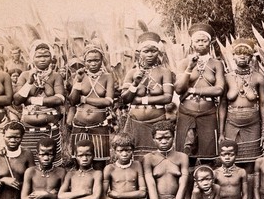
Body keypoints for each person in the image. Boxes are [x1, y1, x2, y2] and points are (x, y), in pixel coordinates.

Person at [175, 23, 225, 164]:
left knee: (208, 156)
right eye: (198, 40)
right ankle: (187, 185)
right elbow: (179, 89)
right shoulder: (184, 63)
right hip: (186, 112)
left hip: (208, 112)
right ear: (192, 43)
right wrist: (190, 67)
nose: (201, 43)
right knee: (185, 155)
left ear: (210, 43)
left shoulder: (216, 64)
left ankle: (206, 184)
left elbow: (219, 89)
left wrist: (193, 90)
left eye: (205, 40)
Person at [121, 32, 174, 160]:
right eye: (146, 51)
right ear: (140, 53)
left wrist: (141, 100)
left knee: (158, 159)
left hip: (157, 122)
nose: (150, 55)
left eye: (153, 51)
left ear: (158, 52)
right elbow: (125, 98)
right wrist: (135, 83)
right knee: (134, 159)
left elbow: (168, 98)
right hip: (135, 121)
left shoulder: (164, 72)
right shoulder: (132, 72)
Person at [13, 40, 66, 166]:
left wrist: (32, 100)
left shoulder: (55, 76)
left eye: (46, 56)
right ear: (32, 58)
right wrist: (30, 83)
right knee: (29, 163)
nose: (42, 59)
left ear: (51, 58)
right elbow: (17, 100)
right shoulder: (25, 76)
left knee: (51, 164)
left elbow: (59, 99)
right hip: (28, 128)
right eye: (39, 56)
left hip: (50, 128)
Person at [219, 38, 264, 170]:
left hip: (253, 124)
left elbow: (263, 105)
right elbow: (222, 105)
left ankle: (250, 190)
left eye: (246, 54)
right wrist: (221, 132)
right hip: (231, 123)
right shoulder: (226, 78)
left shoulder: (259, 78)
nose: (242, 56)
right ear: (233, 57)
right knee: (230, 160)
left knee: (251, 163)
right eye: (238, 53)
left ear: (251, 57)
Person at [68, 45, 115, 170]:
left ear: (102, 60)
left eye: (96, 60)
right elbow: (72, 101)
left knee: (99, 164)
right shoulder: (78, 76)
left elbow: (108, 101)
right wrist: (78, 81)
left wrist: (84, 99)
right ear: (84, 61)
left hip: (99, 126)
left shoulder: (108, 77)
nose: (93, 64)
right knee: (80, 164)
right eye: (89, 61)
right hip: (79, 125)